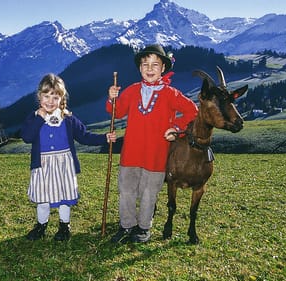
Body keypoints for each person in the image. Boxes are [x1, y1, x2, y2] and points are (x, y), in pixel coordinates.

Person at [106, 44, 198, 243]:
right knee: (127, 191)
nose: (149, 68)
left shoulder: (170, 93)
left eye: (155, 64)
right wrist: (112, 99)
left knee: (149, 193)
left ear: (163, 68)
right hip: (130, 153)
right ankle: (126, 225)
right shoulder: (132, 91)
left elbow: (193, 112)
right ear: (139, 68)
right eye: (145, 64)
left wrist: (176, 128)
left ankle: (143, 227)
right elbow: (117, 112)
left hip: (156, 155)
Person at [22, 73, 117, 241]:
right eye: (46, 96)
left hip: (64, 165)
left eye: (55, 97)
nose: (50, 101)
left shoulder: (68, 119)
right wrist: (40, 119)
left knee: (64, 198)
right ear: (39, 96)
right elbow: (27, 137)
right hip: (42, 164)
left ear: (62, 98)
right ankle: (41, 226)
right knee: (43, 199)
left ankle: (64, 226)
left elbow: (84, 136)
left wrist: (104, 138)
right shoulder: (35, 117)